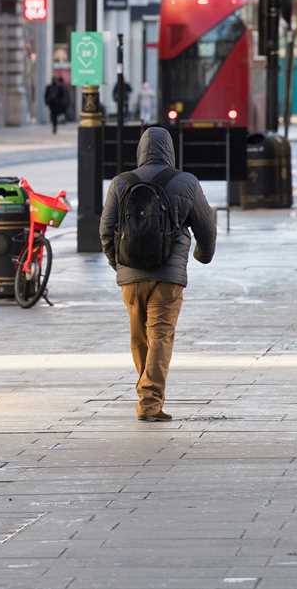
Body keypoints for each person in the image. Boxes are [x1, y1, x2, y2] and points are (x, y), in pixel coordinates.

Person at [99, 127, 217, 422]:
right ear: (170, 150)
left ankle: (147, 393)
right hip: (168, 276)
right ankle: (150, 402)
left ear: (140, 150)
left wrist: (119, 266)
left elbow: (105, 229)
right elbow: (206, 226)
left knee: (140, 338)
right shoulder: (185, 182)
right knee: (161, 335)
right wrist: (203, 255)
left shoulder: (120, 183)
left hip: (130, 277)